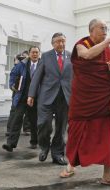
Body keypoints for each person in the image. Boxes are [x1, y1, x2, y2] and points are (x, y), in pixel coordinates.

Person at [59, 19, 110, 188]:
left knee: (108, 136)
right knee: (77, 133)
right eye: (102, 28)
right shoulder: (81, 44)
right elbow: (87, 55)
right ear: (91, 30)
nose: (105, 31)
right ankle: (70, 166)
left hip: (103, 100)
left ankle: (107, 175)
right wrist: (108, 41)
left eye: (106, 28)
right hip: (83, 99)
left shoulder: (107, 48)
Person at [27, 33, 73, 165]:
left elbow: (75, 77)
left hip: (64, 97)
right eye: (58, 41)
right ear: (53, 43)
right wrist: (31, 95)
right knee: (44, 124)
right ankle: (44, 147)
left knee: (61, 127)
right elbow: (37, 76)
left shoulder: (71, 56)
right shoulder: (46, 56)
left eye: (63, 41)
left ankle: (57, 153)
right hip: (46, 96)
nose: (61, 44)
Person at [2, 46, 40, 152]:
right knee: (17, 119)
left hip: (36, 99)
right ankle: (10, 144)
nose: (35, 54)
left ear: (39, 54)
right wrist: (13, 85)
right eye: (33, 52)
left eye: (37, 52)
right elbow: (13, 74)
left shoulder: (42, 65)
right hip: (22, 97)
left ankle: (34, 141)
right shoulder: (21, 64)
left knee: (34, 121)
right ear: (29, 53)